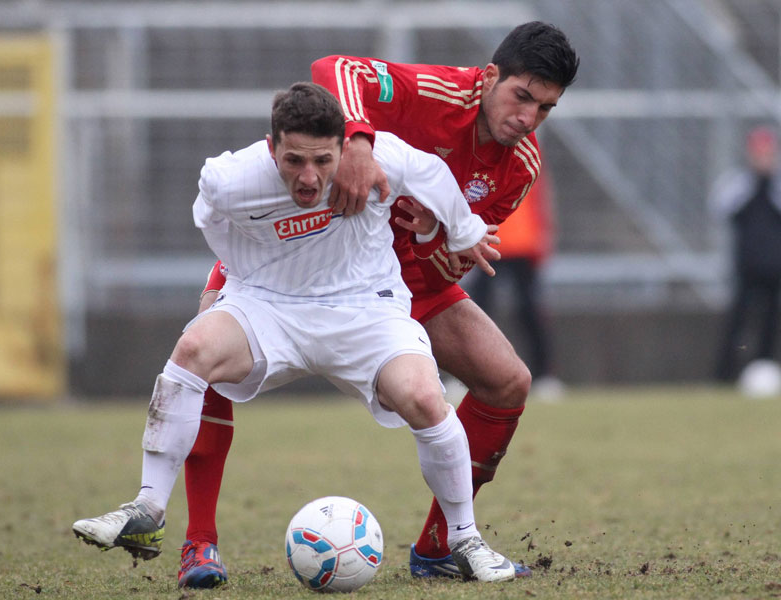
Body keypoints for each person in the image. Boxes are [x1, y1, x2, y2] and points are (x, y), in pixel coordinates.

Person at [178, 21, 579, 588]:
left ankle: (441, 545)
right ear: (490, 77)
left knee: (507, 379)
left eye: (545, 108)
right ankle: (200, 545)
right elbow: (332, 70)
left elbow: (459, 263)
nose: (529, 118)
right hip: (298, 256)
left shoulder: (520, 166)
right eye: (522, 97)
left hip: (395, 279)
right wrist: (360, 144)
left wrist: (431, 235)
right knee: (206, 358)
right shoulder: (437, 92)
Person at [72, 82, 517, 585]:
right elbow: (214, 225)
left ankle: (465, 538)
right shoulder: (229, 179)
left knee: (425, 397)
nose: (309, 178)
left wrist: (464, 231)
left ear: (345, 145)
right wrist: (236, 282)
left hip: (364, 310)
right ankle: (148, 509)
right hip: (269, 308)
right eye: (293, 161)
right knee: (193, 349)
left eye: (323, 161)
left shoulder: (377, 158)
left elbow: (433, 172)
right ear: (271, 147)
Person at [467, 166, 564, 400]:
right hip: (487, 241)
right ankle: (470, 376)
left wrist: (544, 236)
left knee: (529, 312)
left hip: (521, 243)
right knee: (474, 312)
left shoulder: (529, 159)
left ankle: (543, 376)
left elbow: (542, 200)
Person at [712, 125, 781, 382]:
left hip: (775, 269)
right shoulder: (739, 183)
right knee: (737, 325)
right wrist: (753, 181)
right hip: (747, 267)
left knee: (771, 325)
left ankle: (764, 372)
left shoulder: (777, 186)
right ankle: (723, 377)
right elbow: (720, 207)